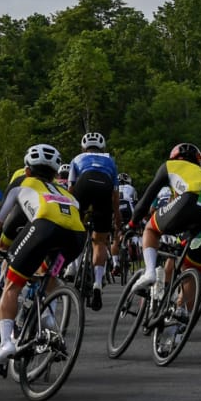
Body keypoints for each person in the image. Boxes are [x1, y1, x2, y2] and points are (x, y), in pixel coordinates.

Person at [0, 144, 86, 373]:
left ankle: (6, 344)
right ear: (56, 175)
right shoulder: (66, 193)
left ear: (26, 170)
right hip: (76, 239)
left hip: (45, 227)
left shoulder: (21, 183)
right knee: (47, 278)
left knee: (12, 284)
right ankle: (47, 320)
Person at [127, 143, 201, 353]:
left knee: (151, 229)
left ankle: (149, 273)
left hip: (193, 203)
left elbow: (146, 200)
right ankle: (174, 327)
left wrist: (131, 225)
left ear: (175, 157)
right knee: (190, 269)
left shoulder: (171, 166)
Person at [66, 132, 121, 311]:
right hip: (104, 187)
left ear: (84, 147)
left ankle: (72, 267)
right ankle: (97, 282)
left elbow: (71, 188)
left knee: (75, 229)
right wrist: (116, 217)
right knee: (100, 241)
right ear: (102, 147)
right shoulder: (110, 160)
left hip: (84, 182)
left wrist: (73, 213)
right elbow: (115, 194)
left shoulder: (78, 158)